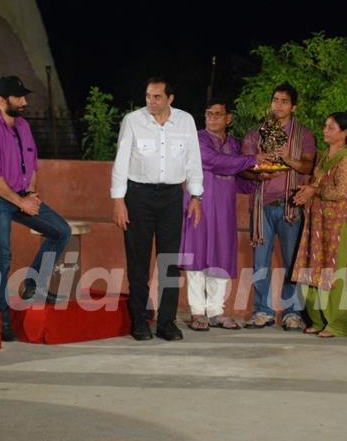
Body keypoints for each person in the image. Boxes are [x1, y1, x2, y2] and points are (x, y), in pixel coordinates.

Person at [0, 75, 71, 342]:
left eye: (24, 97)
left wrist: (30, 195)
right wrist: (21, 201)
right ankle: (0, 321)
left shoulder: (23, 126)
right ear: (2, 100)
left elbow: (32, 163)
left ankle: (33, 284)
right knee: (1, 257)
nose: (24, 102)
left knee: (61, 231)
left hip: (19, 195)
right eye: (18, 97)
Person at [111, 77, 203, 341]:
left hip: (173, 197)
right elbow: (121, 161)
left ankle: (167, 322)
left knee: (170, 262)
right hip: (138, 196)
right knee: (138, 262)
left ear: (170, 99)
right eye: (148, 96)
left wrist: (196, 196)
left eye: (157, 97)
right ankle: (139, 321)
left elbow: (193, 160)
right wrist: (118, 201)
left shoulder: (185, 121)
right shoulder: (133, 120)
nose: (151, 102)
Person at [179, 99, 271, 331]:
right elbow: (212, 161)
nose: (212, 118)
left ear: (228, 118)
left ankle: (216, 311)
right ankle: (198, 312)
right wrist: (252, 160)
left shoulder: (233, 144)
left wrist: (256, 181)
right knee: (197, 259)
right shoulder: (198, 139)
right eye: (209, 114)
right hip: (198, 207)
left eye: (217, 114)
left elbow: (235, 174)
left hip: (224, 211)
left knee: (220, 256)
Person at [240, 83, 316, 330]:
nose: (278, 105)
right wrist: (257, 174)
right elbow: (245, 167)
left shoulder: (304, 135)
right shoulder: (256, 133)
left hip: (290, 206)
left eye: (284, 101)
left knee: (292, 262)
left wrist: (286, 158)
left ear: (293, 106)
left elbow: (306, 167)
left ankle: (293, 312)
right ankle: (263, 311)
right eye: (275, 100)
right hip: (262, 204)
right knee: (260, 261)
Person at [291, 112, 347, 338]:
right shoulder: (324, 156)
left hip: (337, 223)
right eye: (325, 126)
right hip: (318, 221)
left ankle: (336, 324)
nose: (325, 130)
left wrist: (314, 190)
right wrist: (307, 192)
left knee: (335, 271)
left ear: (345, 133)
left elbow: (341, 191)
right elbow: (317, 183)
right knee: (313, 267)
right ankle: (317, 319)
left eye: (331, 127)